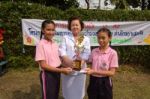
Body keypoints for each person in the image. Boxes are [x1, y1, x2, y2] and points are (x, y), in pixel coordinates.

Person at [35, 20, 72, 99]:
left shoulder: (54, 43)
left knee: (55, 95)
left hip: (57, 73)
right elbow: (43, 65)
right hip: (47, 75)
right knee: (49, 96)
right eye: (48, 30)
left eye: (53, 30)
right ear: (43, 30)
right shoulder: (40, 44)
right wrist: (62, 71)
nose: (51, 32)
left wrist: (70, 65)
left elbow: (58, 61)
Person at [59, 16, 91, 99]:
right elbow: (62, 51)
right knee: (68, 92)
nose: (75, 27)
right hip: (67, 69)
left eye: (77, 25)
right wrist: (70, 63)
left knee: (79, 93)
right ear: (70, 27)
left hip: (80, 71)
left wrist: (79, 64)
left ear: (81, 26)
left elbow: (87, 53)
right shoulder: (65, 38)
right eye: (73, 25)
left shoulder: (84, 39)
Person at [86, 27, 119, 99]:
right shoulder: (94, 51)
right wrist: (79, 55)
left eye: (103, 38)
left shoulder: (113, 53)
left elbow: (112, 73)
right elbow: (89, 62)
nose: (100, 40)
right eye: (99, 38)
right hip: (93, 80)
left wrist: (94, 71)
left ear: (109, 38)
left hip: (105, 82)